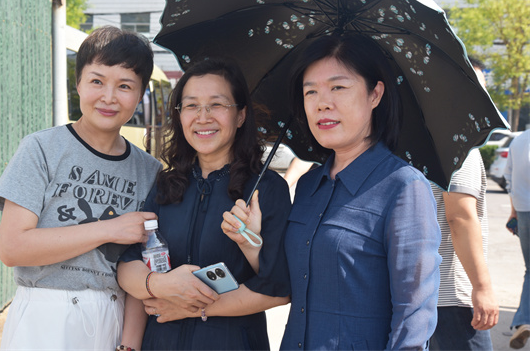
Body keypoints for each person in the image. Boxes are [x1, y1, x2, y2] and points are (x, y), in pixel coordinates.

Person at [0, 26, 163, 350]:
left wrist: (129, 345)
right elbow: (12, 248)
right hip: (44, 316)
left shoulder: (148, 170)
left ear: (140, 96)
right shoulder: (41, 148)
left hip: (113, 315)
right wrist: (109, 229)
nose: (109, 97)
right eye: (97, 81)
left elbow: (143, 261)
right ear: (78, 83)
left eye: (125, 86)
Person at [280, 32, 442, 350]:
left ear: (375, 94)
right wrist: (251, 239)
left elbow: (414, 315)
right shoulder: (309, 185)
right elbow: (293, 282)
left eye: (338, 88)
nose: (322, 103)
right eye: (310, 91)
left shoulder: (404, 187)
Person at [117, 58, 292, 350]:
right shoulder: (167, 184)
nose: (202, 117)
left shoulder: (265, 189)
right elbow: (128, 263)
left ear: (240, 116)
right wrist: (160, 285)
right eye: (191, 106)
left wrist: (193, 307)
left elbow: (279, 288)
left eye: (216, 105)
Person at [429, 57, 499, 350]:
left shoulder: (425, 141)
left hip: (424, 290)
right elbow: (459, 217)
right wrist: (482, 287)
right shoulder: (460, 145)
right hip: (453, 293)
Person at [504, 128, 530, 349]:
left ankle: (524, 320)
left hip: (523, 212)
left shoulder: (518, 141)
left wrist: (513, 211)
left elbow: (509, 179)